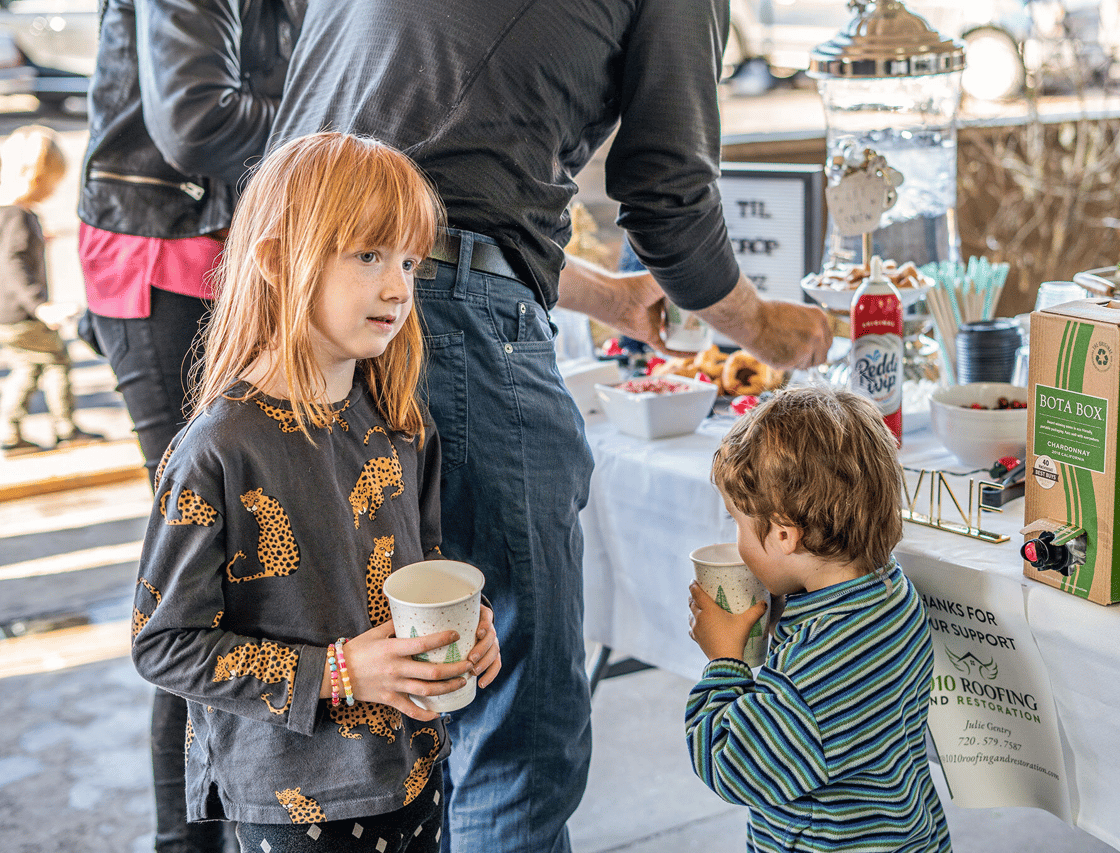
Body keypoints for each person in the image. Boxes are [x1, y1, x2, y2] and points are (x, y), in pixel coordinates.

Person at [270, 5, 832, 850]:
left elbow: (430, 190)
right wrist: (763, 328)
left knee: (384, 702)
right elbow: (668, 196)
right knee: (513, 723)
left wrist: (608, 299)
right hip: (443, 323)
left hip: (291, 303)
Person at [131, 133, 501, 853]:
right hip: (294, 808)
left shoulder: (401, 421)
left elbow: (423, 564)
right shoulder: (218, 449)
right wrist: (337, 672)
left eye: (409, 261)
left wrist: (468, 622)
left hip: (415, 773)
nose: (398, 287)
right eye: (368, 256)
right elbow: (164, 644)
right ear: (275, 261)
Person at [77, 3, 304, 850]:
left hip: (225, 256)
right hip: (167, 260)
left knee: (246, 575)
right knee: (199, 587)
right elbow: (196, 121)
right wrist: (341, 104)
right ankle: (186, 840)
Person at [686, 386, 951, 853]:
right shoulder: (893, 593)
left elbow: (732, 766)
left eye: (737, 523)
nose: (738, 541)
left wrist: (724, 660)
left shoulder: (818, 668)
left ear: (784, 534)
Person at [0, 125, 103, 455]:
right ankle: (65, 428)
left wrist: (39, 240)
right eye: (52, 183)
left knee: (28, 366)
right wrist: (40, 306)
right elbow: (12, 263)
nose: (53, 191)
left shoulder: (7, 213)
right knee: (57, 361)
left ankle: (11, 431)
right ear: (37, 179)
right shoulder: (19, 217)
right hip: (25, 313)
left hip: (8, 313)